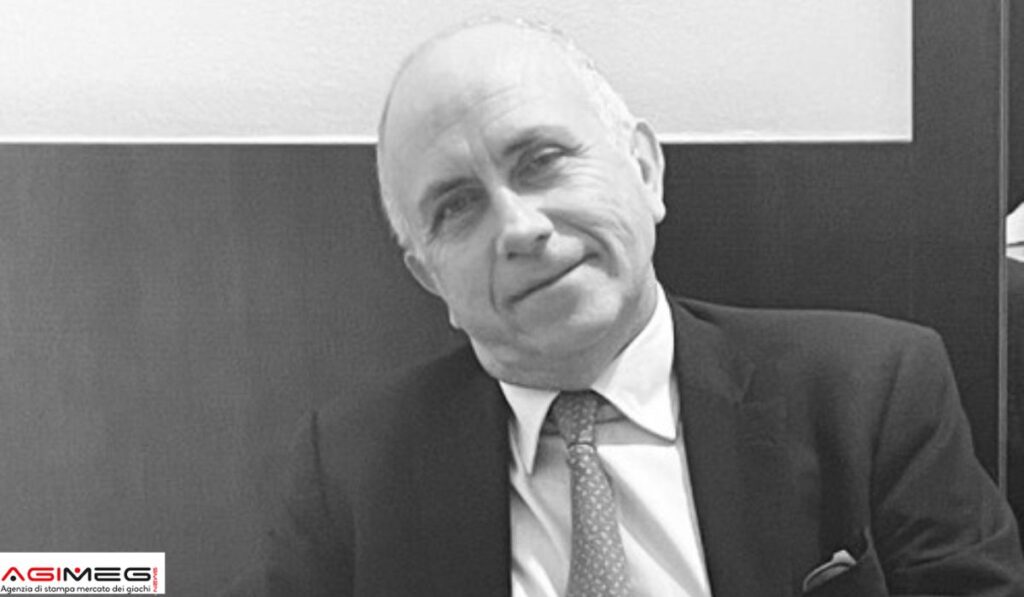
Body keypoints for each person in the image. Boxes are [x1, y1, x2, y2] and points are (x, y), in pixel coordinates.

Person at [238, 19, 1024, 596]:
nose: (519, 227)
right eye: (456, 207)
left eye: (542, 160)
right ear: (428, 276)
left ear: (645, 171)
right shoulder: (345, 471)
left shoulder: (873, 391)